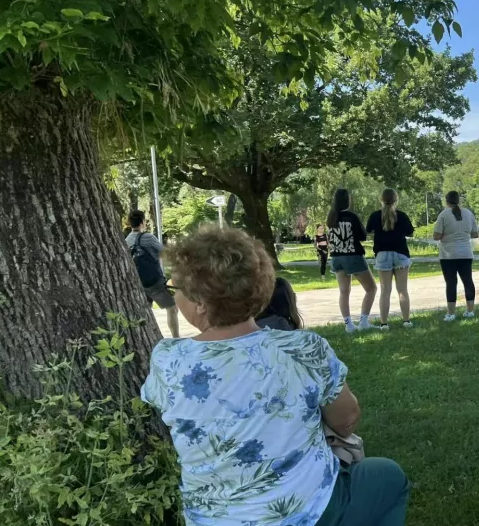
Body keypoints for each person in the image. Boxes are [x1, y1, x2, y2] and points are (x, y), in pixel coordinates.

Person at [142, 226, 409, 526]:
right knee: (387, 475)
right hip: (310, 512)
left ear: (201, 301)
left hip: (213, 520)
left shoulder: (168, 359)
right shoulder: (304, 348)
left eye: (174, 288)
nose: (173, 295)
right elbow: (346, 420)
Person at [327, 189, 377, 333]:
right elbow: (362, 236)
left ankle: (348, 325)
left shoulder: (331, 217)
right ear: (347, 200)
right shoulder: (351, 217)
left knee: (344, 291)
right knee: (371, 288)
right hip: (352, 255)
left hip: (336, 257)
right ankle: (364, 321)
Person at [125, 210, 179, 338]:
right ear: (143, 222)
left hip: (138, 283)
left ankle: (146, 338)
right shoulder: (148, 238)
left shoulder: (126, 240)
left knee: (144, 313)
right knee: (172, 308)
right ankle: (176, 338)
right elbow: (164, 253)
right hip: (155, 282)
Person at [366, 189, 415, 330]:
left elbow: (368, 230)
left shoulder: (375, 216)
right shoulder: (402, 215)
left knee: (385, 290)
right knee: (402, 290)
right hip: (400, 253)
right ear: (396, 200)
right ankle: (406, 321)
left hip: (382, 254)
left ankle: (384, 323)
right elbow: (410, 231)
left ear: (381, 200)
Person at [434, 191, 479, 322]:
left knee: (451, 283)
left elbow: (436, 236)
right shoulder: (468, 213)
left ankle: (451, 313)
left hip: (448, 255)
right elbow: (475, 234)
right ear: (459, 200)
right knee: (468, 281)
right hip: (466, 253)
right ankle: (470, 311)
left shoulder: (443, 215)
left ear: (446, 201)